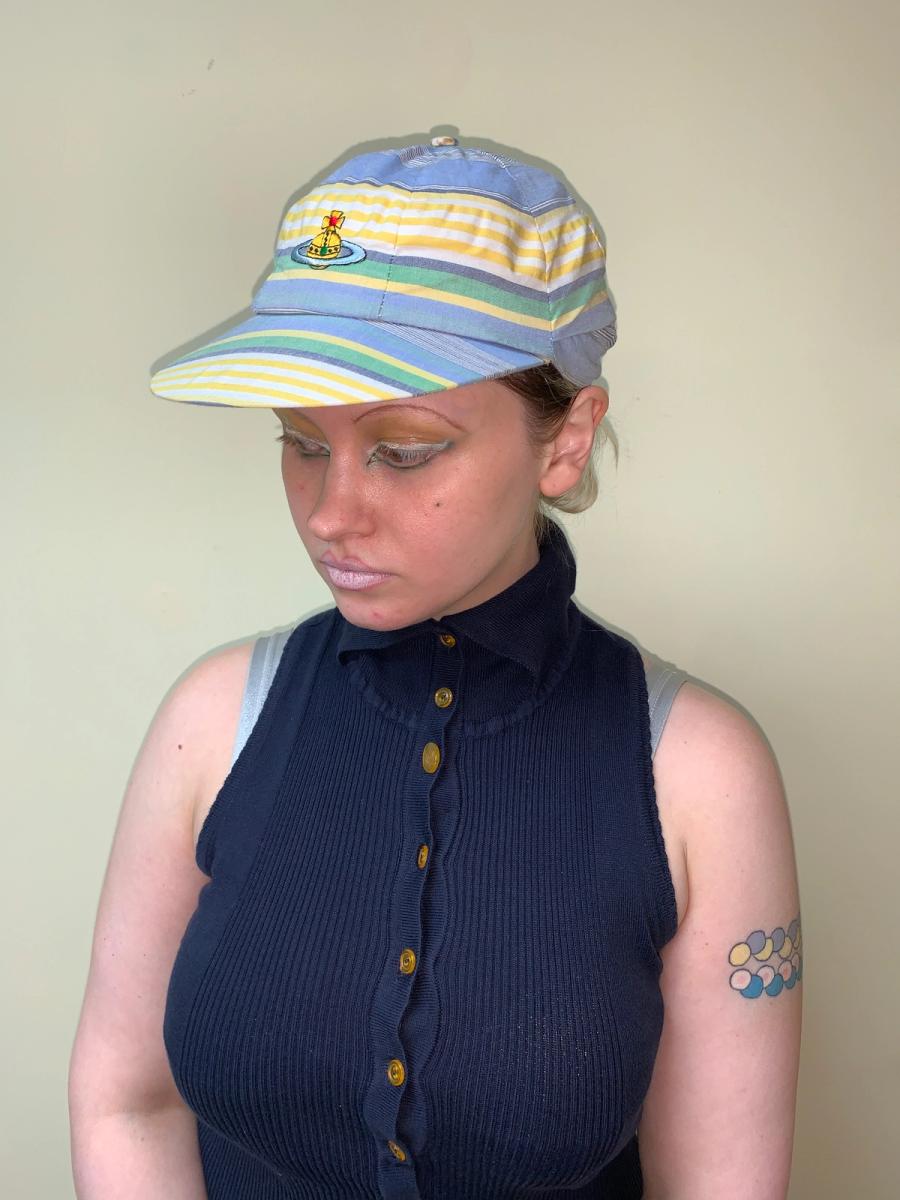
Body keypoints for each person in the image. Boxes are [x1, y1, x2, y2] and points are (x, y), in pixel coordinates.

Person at [69, 132, 802, 1198]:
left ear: (565, 439)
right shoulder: (216, 720)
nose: (332, 513)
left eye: (404, 450)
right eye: (301, 441)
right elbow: (126, 1103)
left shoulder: (696, 773)